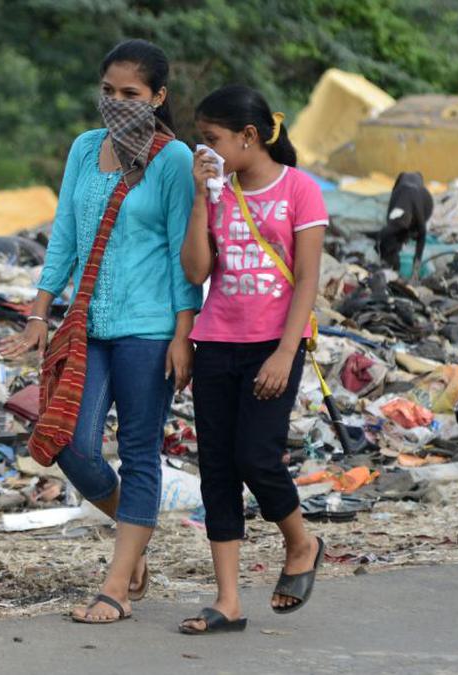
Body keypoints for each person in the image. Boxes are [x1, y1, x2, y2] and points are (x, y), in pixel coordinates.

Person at [0, 39, 201, 624]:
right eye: (108, 91)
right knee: (70, 443)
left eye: (130, 94)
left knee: (140, 452)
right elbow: (64, 233)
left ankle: (114, 585)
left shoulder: (173, 160)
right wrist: (40, 313)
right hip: (87, 326)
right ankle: (132, 536)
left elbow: (179, 257)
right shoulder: (86, 149)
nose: (116, 102)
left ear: (158, 97)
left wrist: (183, 335)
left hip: (149, 330)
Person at [178, 84, 327, 634]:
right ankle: (227, 601)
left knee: (256, 459)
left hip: (272, 346)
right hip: (216, 343)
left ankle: (301, 541)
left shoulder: (300, 190)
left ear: (249, 136)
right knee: (216, 469)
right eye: (200, 141)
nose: (205, 151)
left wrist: (287, 352)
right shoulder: (216, 192)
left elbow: (308, 279)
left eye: (212, 140)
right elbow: (196, 271)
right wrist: (200, 196)